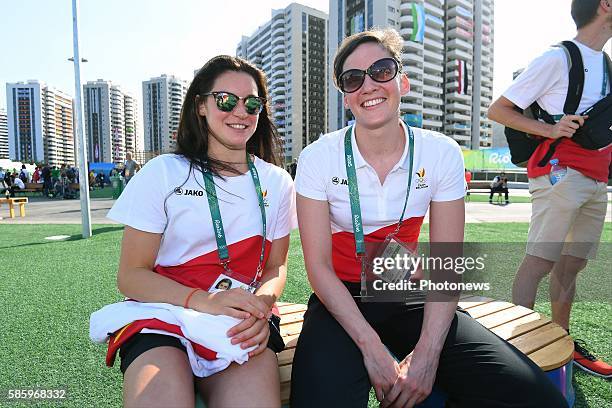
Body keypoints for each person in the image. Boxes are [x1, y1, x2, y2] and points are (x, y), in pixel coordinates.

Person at [290, 28, 568, 408]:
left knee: (537, 399)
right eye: (353, 79)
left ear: (402, 81)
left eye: (381, 70)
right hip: (340, 295)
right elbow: (318, 268)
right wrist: (371, 347)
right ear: (345, 98)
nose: (368, 85)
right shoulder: (318, 157)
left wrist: (427, 354)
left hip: (408, 291)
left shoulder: (440, 153)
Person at [101, 55, 296, 407]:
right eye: (225, 100)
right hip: (164, 314)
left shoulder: (278, 182)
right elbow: (131, 276)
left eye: (252, 103)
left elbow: (276, 268)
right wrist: (204, 301)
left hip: (240, 319)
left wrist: (262, 307)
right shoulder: (163, 172)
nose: (241, 111)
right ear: (201, 106)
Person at [488, 0, 611, 377]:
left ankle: (563, 339)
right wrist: (551, 129)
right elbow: (499, 109)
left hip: (596, 178)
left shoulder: (606, 65)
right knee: (540, 262)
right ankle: (519, 352)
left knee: (572, 266)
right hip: (560, 172)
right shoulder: (558, 57)